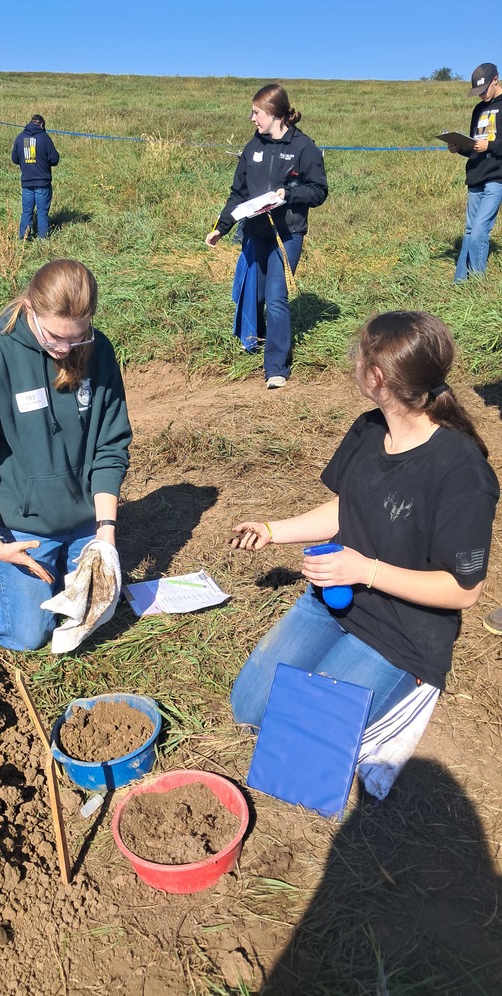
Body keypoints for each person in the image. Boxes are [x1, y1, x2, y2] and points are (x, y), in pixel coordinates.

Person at [229, 311, 498, 733]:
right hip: (335, 600)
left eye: (358, 357)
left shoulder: (462, 472)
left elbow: (463, 590)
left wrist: (365, 570)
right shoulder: (369, 429)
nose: (352, 364)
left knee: (306, 730)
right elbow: (348, 508)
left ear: (376, 376)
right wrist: (272, 529)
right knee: (249, 708)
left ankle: (408, 697)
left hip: (403, 630)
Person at [0, 259, 132, 651]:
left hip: (83, 519)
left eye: (78, 337)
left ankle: (62, 560)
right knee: (28, 635)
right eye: (56, 337)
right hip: (20, 526)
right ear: (29, 310)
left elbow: (111, 444)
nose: (66, 349)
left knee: (95, 612)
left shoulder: (97, 350)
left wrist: (106, 532)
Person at [206, 83, 328, 389]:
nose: (252, 118)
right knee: (256, 294)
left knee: (276, 297)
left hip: (287, 235)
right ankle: (257, 340)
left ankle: (276, 367)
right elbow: (239, 193)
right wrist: (222, 227)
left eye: (256, 112)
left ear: (274, 113)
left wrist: (290, 193)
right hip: (255, 233)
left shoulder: (304, 148)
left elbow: (319, 191)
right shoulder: (253, 147)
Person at [449, 63, 502, 282]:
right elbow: (475, 147)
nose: (481, 95)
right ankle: (460, 281)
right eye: (477, 92)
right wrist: (460, 147)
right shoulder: (478, 109)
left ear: (495, 80)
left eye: (483, 90)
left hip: (496, 177)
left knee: (480, 230)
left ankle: (477, 283)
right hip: (476, 175)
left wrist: (489, 146)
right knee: (470, 230)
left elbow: (487, 145)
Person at [11, 114, 60, 240]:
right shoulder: (45, 138)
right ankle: (43, 240)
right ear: (42, 125)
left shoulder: (20, 138)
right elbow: (54, 159)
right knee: (42, 213)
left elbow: (14, 159)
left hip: (27, 182)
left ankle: (23, 239)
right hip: (42, 182)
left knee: (26, 212)